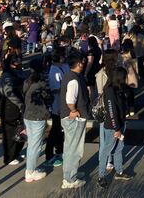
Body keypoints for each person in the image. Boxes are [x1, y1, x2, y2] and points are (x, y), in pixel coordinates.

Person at [98, 67, 133, 187]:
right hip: (113, 126)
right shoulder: (110, 91)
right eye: (124, 77)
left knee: (119, 148)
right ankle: (101, 176)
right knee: (106, 151)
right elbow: (111, 111)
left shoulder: (119, 89)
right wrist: (116, 128)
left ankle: (119, 171)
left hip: (121, 123)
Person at [60, 52, 91, 189]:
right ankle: (70, 179)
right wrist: (73, 110)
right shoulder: (74, 80)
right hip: (74, 118)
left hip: (69, 117)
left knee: (70, 148)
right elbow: (70, 100)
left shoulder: (69, 75)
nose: (84, 63)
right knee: (74, 149)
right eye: (82, 61)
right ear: (78, 63)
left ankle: (71, 174)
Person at [23, 57, 51, 182]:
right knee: (36, 145)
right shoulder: (42, 83)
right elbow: (48, 97)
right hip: (38, 116)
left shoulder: (27, 81)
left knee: (31, 144)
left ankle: (30, 169)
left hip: (27, 115)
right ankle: (30, 172)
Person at [0, 53, 26, 165]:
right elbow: (8, 92)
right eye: (15, 61)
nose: (18, 63)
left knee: (19, 130)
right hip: (9, 106)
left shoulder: (18, 72)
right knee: (10, 132)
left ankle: (16, 152)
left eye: (19, 61)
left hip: (19, 104)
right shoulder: (7, 75)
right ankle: (9, 157)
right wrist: (19, 104)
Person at [46, 49, 68, 167]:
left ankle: (60, 150)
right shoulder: (53, 70)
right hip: (57, 103)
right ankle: (49, 154)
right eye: (63, 56)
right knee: (56, 128)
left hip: (65, 102)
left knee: (61, 129)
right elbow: (55, 89)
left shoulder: (64, 66)